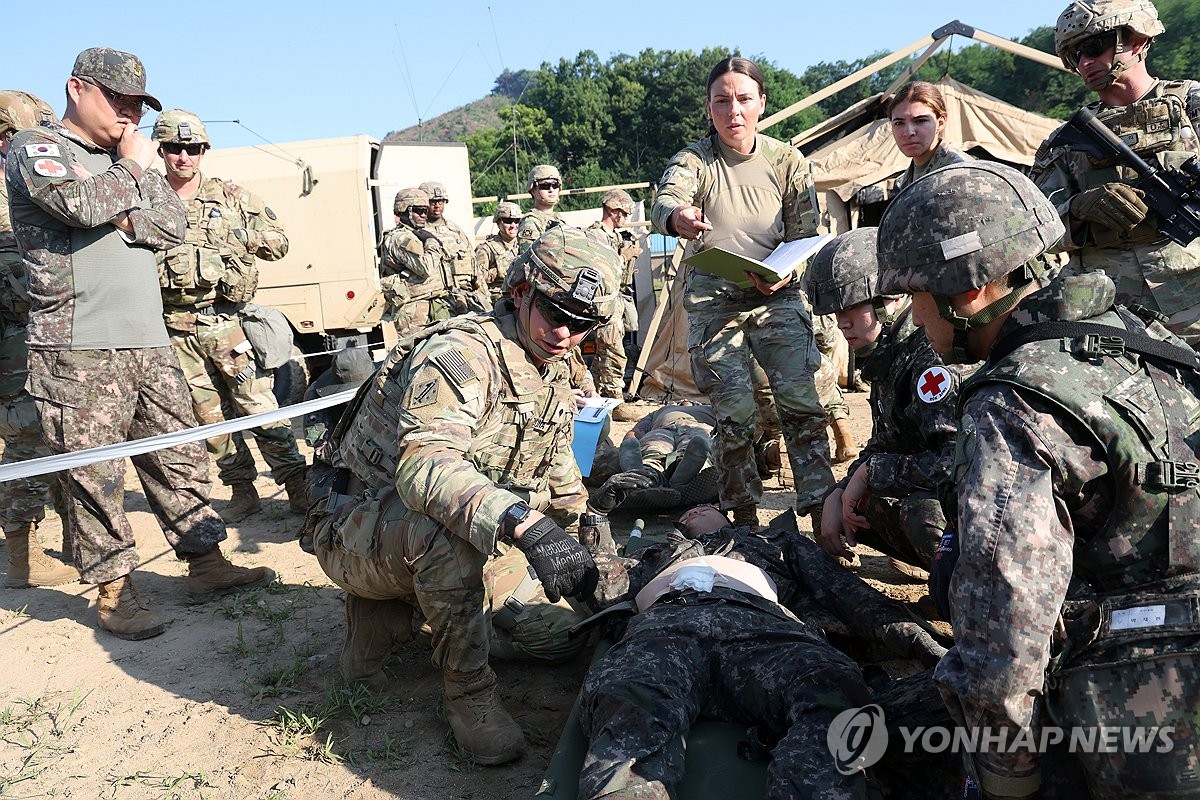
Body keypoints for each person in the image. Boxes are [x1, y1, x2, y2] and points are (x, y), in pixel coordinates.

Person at [877, 159, 1200, 798]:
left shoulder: (1011, 406)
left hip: (1134, 720)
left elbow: (1003, 636)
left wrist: (1005, 780)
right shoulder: (1138, 334)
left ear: (967, 291)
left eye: (915, 295)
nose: (915, 319)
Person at [309, 226, 624, 765]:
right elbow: (423, 467)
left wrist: (596, 567)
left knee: (566, 639)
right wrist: (527, 526)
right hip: (358, 528)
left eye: (583, 325)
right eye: (556, 313)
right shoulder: (461, 354)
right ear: (522, 291)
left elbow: (562, 478)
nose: (566, 334)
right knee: (449, 536)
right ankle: (468, 695)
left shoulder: (551, 364)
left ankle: (439, 613)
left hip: (450, 528)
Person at [4, 48, 274, 640]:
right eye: (118, 99)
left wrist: (123, 187)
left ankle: (205, 563)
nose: (129, 114)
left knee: (179, 457)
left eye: (136, 104)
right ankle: (114, 593)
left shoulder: (116, 159)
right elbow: (75, 204)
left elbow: (168, 225)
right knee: (94, 475)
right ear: (79, 89)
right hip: (77, 344)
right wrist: (129, 175)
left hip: (147, 340)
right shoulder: (38, 148)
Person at [576, 505, 956, 800]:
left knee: (833, 691)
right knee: (630, 701)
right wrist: (596, 519)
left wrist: (925, 647)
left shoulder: (776, 543)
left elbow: (852, 597)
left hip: (763, 630)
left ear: (727, 517)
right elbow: (599, 585)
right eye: (687, 513)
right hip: (666, 628)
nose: (694, 512)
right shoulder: (656, 556)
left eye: (705, 509)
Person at [651, 56, 833, 530]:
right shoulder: (695, 160)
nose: (733, 110)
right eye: (722, 101)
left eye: (743, 99)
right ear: (709, 109)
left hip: (777, 295)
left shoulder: (786, 160)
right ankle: (742, 515)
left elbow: (805, 234)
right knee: (734, 411)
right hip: (715, 304)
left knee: (800, 402)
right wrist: (678, 218)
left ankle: (819, 508)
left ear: (761, 104)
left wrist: (786, 274)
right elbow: (667, 199)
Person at [151, 109, 307, 523]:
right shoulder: (148, 199)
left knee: (258, 405)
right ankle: (241, 488)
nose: (183, 157)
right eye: (173, 148)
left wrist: (237, 240)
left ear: (205, 150)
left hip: (227, 324)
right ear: (161, 149)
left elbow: (280, 243)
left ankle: (296, 484)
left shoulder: (233, 196)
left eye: (192, 149)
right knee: (208, 418)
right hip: (176, 329)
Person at [1032, 0, 1200, 348]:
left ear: (1137, 40)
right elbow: (1036, 232)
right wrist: (1077, 209)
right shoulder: (1065, 142)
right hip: (1110, 314)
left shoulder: (1191, 104)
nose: (1084, 62)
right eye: (1074, 55)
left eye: (1093, 46)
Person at [805, 227, 965, 584]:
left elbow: (959, 463)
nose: (841, 322)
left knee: (919, 513)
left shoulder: (930, 358)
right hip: (938, 491)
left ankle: (960, 591)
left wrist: (871, 474)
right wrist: (840, 490)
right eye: (835, 312)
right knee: (850, 500)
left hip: (974, 507)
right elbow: (885, 443)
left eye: (851, 307)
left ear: (890, 297)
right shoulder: (889, 352)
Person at [0, 89, 75, 589]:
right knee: (28, 438)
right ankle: (24, 558)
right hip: (17, 340)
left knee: (64, 434)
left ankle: (75, 538)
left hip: (43, 332)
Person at [586, 188, 643, 420]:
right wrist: (622, 257)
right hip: (603, 303)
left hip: (616, 299)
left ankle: (601, 400)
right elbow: (600, 270)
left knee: (606, 353)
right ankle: (615, 401)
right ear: (612, 210)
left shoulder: (617, 237)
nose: (626, 218)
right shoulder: (595, 236)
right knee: (613, 352)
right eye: (624, 213)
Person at [379, 187, 454, 335]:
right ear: (404, 211)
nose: (423, 215)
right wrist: (431, 242)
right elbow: (425, 267)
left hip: (434, 302)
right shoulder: (400, 238)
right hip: (413, 309)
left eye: (425, 211)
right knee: (413, 353)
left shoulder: (416, 235)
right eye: (418, 211)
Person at [418, 180, 490, 313]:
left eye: (441, 202)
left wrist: (483, 294)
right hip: (438, 300)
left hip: (465, 294)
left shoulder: (454, 230)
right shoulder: (418, 233)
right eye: (432, 202)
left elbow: (473, 263)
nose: (437, 206)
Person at [888, 81, 971, 192]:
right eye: (899, 123)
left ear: (940, 123)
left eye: (920, 121)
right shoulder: (903, 182)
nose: (908, 132)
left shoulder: (962, 171)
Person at [474, 200, 521, 304]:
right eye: (508, 221)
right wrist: (498, 271)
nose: (513, 225)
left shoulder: (524, 245)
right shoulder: (486, 249)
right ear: (498, 223)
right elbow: (478, 280)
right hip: (499, 300)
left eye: (516, 221)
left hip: (522, 296)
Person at [516, 164, 564, 254]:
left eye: (555, 185)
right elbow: (527, 260)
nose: (551, 189)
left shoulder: (558, 219)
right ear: (533, 190)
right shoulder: (531, 223)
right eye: (545, 186)